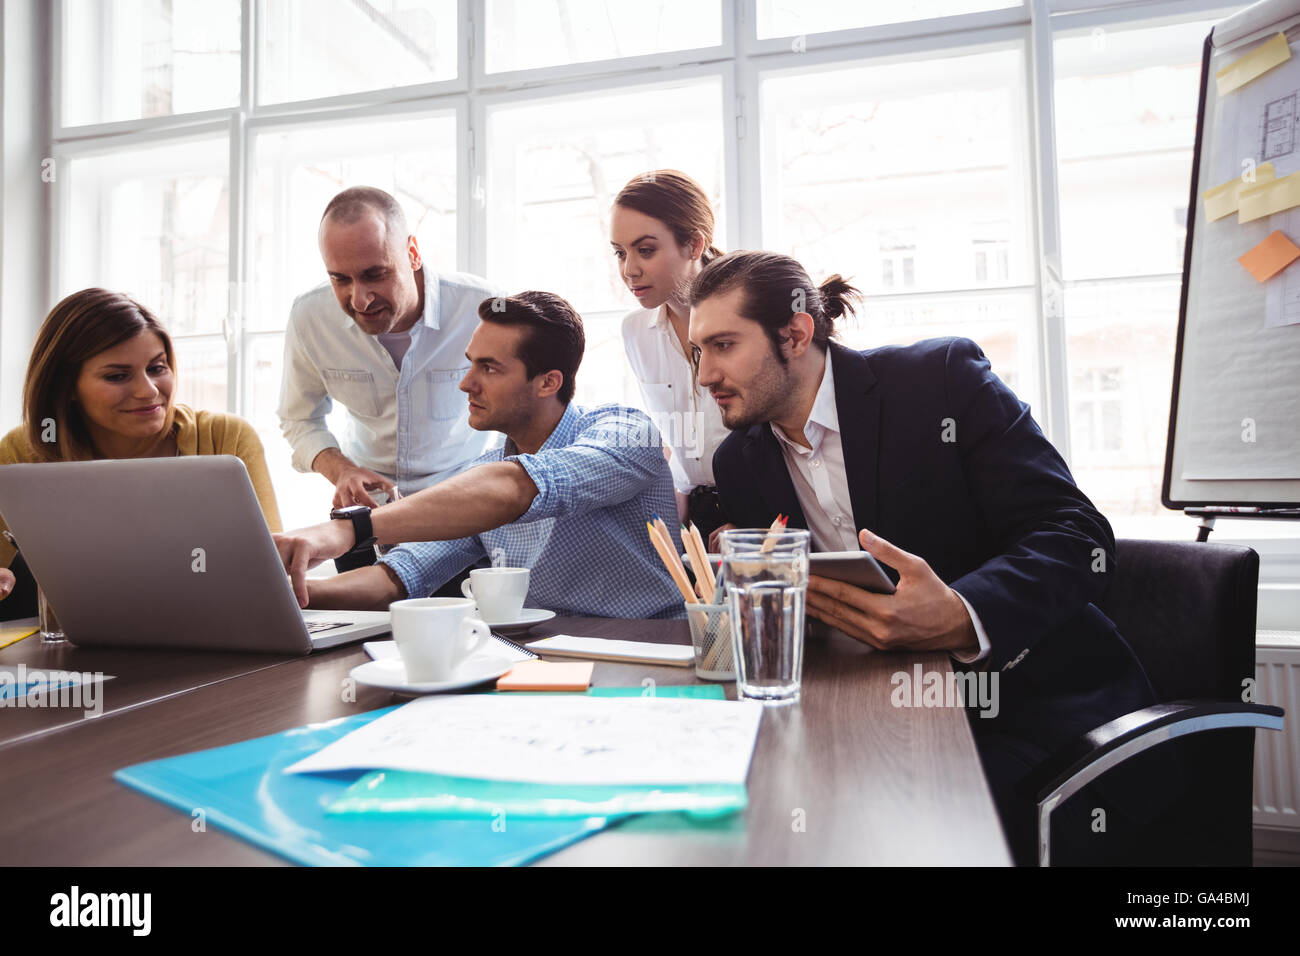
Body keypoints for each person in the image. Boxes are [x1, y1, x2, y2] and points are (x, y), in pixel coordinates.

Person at [689, 251, 1157, 865]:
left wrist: (964, 613)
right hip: (869, 719)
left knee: (899, 839)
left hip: (1028, 713)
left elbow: (1077, 536)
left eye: (723, 345)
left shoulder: (939, 382)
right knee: (754, 815)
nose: (704, 374)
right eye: (698, 352)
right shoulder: (739, 462)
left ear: (796, 334)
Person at [272, 291, 683, 620]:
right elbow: (398, 577)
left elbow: (522, 487)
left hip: (650, 650)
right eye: (471, 365)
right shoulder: (480, 481)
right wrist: (285, 590)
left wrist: (350, 530)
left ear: (547, 382)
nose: (467, 384)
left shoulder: (628, 434)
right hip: (542, 665)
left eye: (489, 368)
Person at [0, 288, 281, 618]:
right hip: (76, 652)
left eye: (157, 368)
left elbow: (274, 575)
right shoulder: (23, 451)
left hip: (215, 637)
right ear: (67, 386)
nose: (148, 391)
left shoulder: (224, 437)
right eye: (117, 376)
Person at [278, 186, 499, 571]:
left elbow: (522, 414)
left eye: (374, 274)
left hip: (466, 521)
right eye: (340, 279)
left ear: (412, 253)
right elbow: (298, 418)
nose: (360, 299)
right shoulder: (309, 317)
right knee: (358, 630)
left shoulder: (484, 308)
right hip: (364, 523)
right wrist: (341, 470)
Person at [612, 170, 733, 545]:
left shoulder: (745, 317)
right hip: (693, 523)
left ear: (694, 245)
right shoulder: (635, 332)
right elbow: (676, 436)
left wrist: (756, 516)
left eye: (645, 250)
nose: (628, 269)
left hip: (763, 513)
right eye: (620, 252)